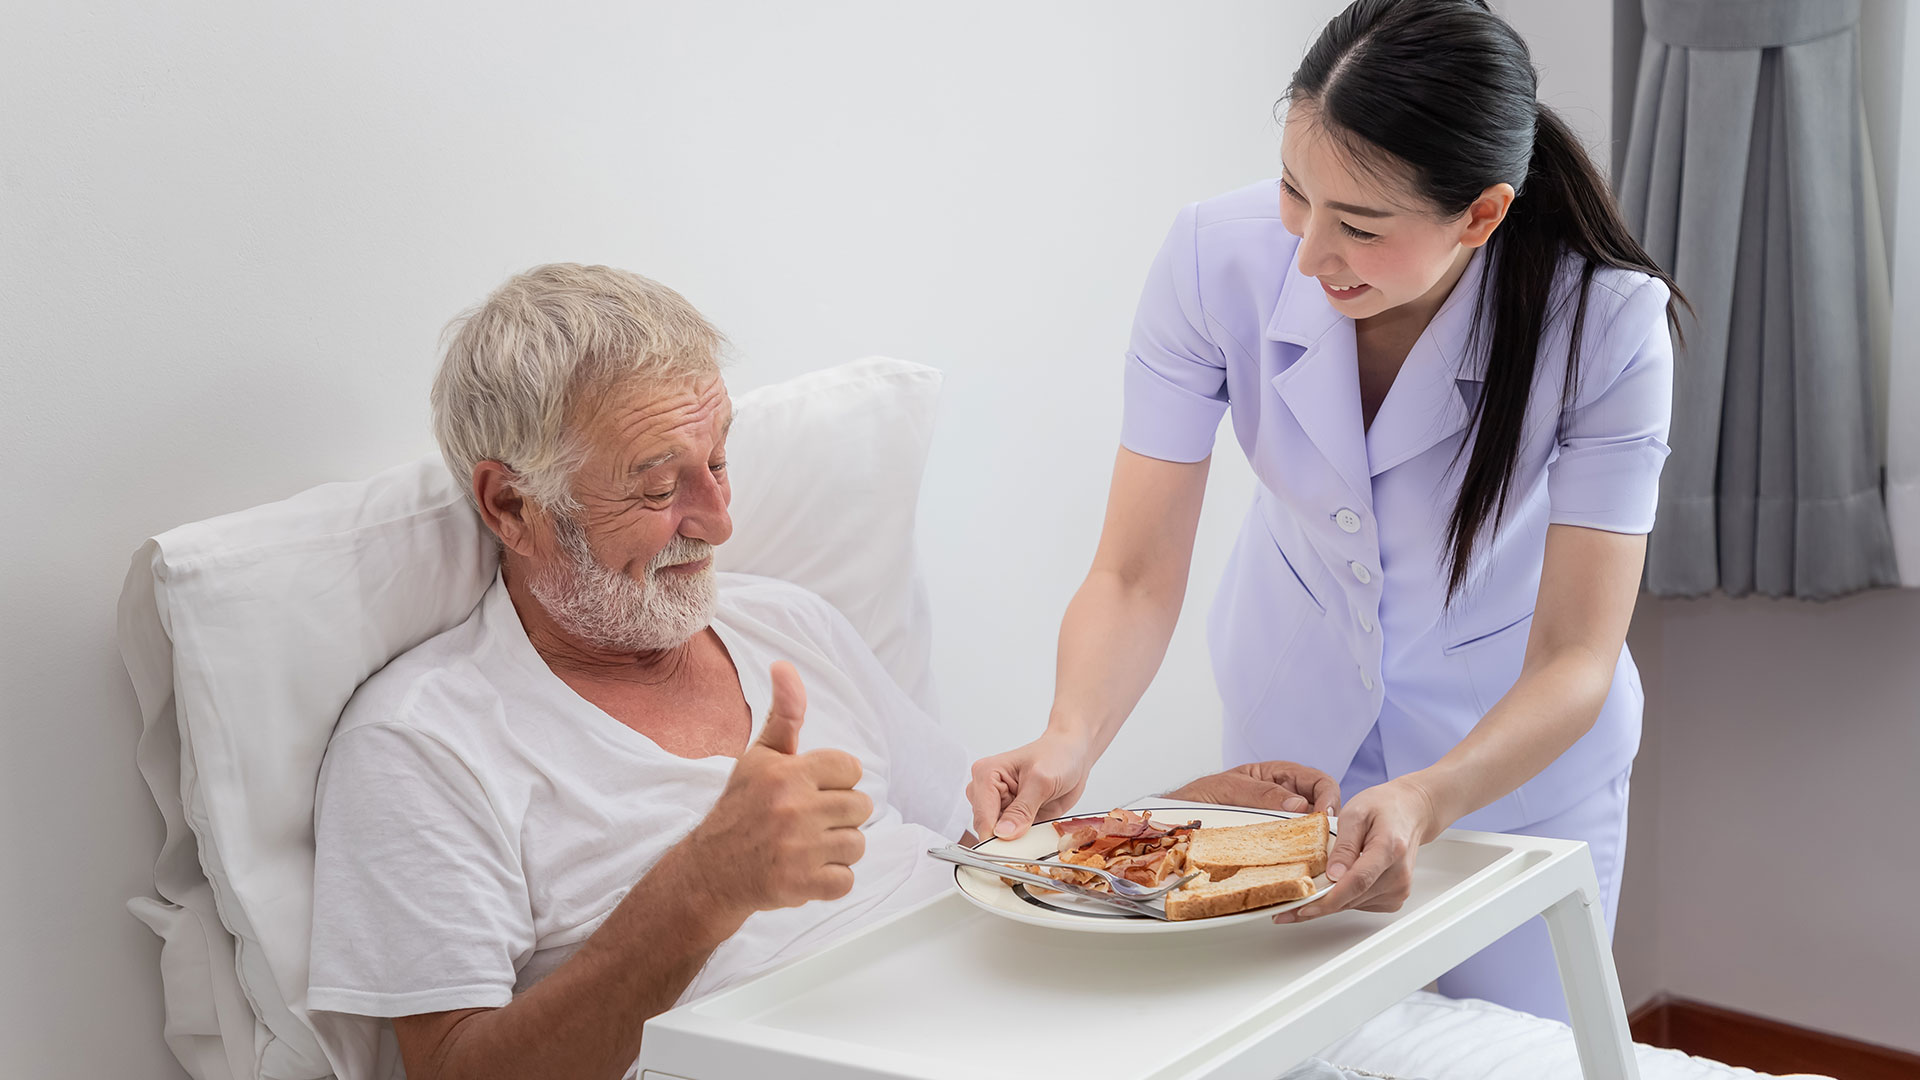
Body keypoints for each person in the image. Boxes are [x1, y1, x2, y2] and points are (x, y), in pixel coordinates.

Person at [305, 263, 1345, 1080]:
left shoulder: (785, 623)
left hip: (1031, 1030)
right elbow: (454, 1075)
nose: (716, 521)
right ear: (509, 507)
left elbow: (980, 860)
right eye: (658, 487)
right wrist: (703, 887)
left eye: (718, 464)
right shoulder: (424, 741)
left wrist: (1163, 824)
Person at [967, 0, 1682, 1022]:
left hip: (1514, 762)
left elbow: (1579, 654)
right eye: (1297, 192)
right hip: (1290, 734)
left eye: (1358, 225)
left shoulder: (1603, 325)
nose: (1308, 255)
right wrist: (1070, 735)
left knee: (1527, 1050)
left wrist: (1431, 797)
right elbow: (1132, 571)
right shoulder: (1216, 255)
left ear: (1479, 215)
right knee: (1286, 1040)